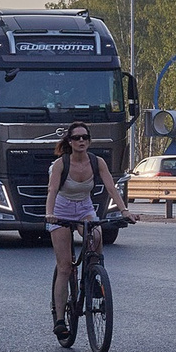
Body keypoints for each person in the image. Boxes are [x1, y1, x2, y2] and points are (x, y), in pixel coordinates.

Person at [42, 125, 123, 317]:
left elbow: (112, 188)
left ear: (89, 141)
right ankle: (61, 319)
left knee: (96, 236)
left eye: (85, 137)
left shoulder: (97, 162)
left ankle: (93, 276)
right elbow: (52, 190)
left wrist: (124, 210)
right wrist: (49, 213)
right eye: (77, 138)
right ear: (69, 141)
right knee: (65, 267)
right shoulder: (61, 164)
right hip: (61, 211)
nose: (81, 141)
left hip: (84, 209)